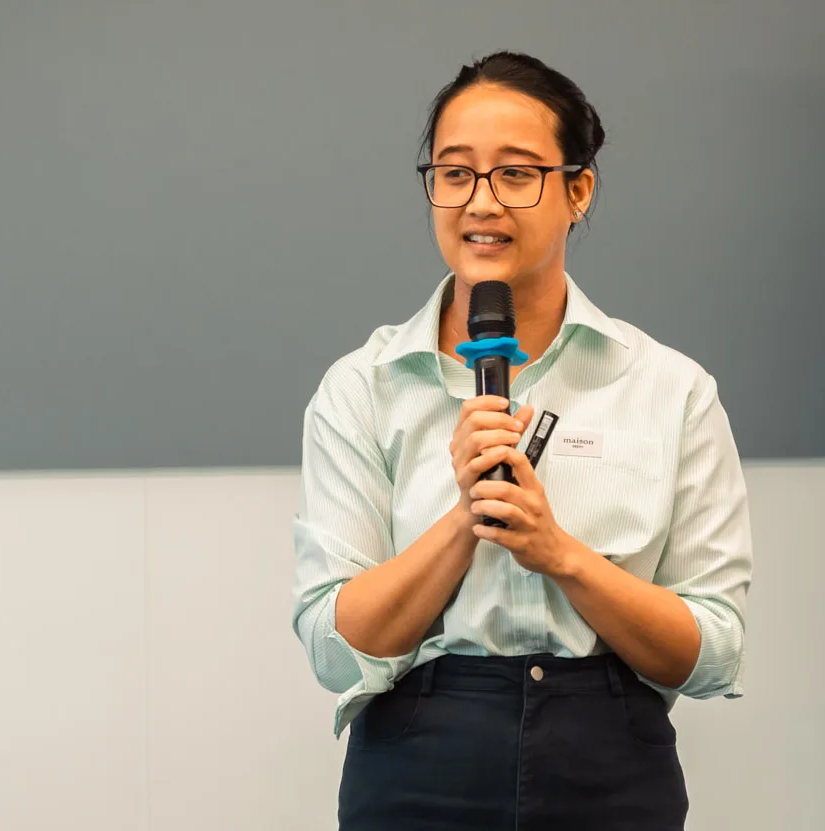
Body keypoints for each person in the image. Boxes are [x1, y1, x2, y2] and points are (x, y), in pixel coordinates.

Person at [291, 51, 753, 831]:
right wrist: (463, 517)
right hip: (416, 760)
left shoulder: (668, 387)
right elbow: (334, 650)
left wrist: (558, 553)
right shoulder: (362, 386)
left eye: (515, 173)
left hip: (610, 763)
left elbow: (712, 652)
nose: (481, 202)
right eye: (455, 172)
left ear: (578, 190)